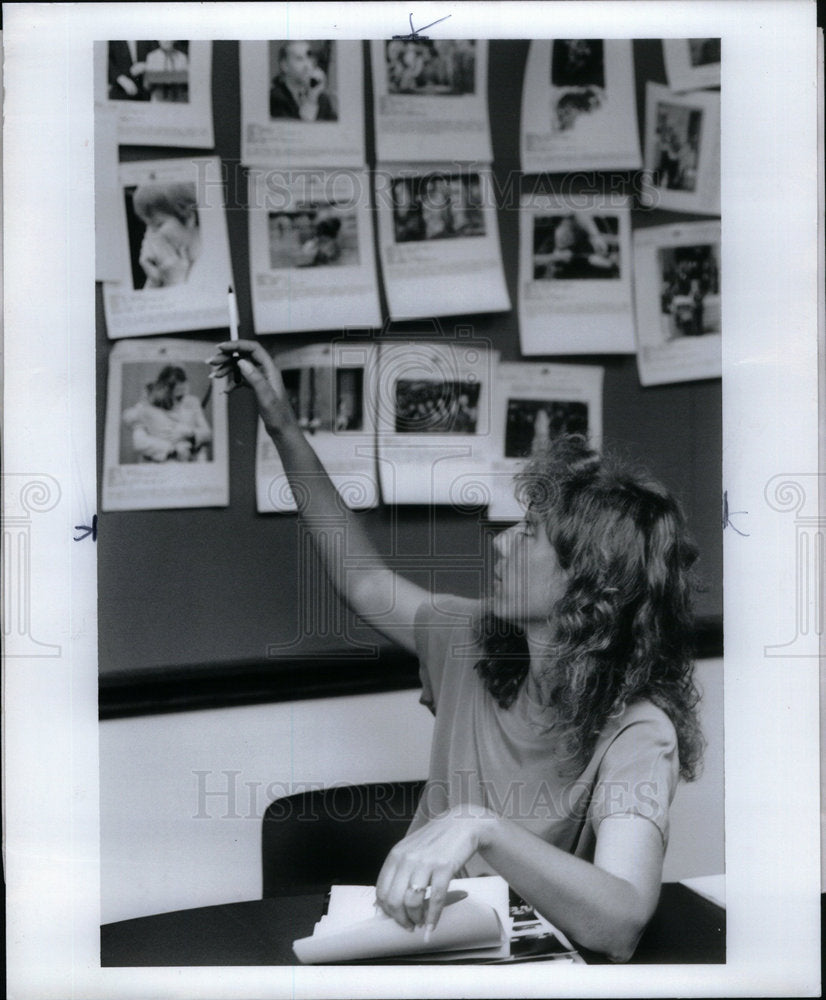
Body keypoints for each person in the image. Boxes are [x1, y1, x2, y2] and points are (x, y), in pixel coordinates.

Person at [208, 341, 703, 963]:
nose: (499, 546)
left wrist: (482, 825)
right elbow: (361, 578)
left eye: (528, 536)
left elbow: (621, 921)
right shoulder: (467, 639)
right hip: (414, 953)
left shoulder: (638, 729)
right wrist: (280, 420)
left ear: (588, 585)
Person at [122, 365, 212, 462]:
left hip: (192, 459)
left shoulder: (192, 402)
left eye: (185, 391)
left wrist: (189, 433)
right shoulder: (149, 406)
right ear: (166, 391)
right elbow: (130, 421)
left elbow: (207, 434)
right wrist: (172, 449)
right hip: (163, 462)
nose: (183, 398)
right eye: (178, 395)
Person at [131, 182, 201, 289]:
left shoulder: (208, 267)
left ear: (188, 217)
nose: (151, 236)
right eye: (148, 227)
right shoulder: (171, 265)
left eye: (158, 225)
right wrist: (155, 281)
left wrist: (174, 281)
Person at [269, 41, 337, 121]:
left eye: (309, 58)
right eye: (299, 59)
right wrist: (312, 99)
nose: (307, 65)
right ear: (284, 66)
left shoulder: (322, 99)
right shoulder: (274, 98)